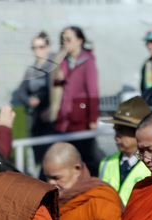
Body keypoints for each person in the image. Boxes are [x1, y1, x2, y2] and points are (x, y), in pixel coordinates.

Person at [53, 26, 100, 172]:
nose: (65, 42)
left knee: (85, 158)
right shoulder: (62, 61)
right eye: (63, 39)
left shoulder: (88, 61)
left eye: (68, 39)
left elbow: (93, 91)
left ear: (80, 40)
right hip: (65, 119)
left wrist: (93, 119)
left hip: (81, 119)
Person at [12, 32, 57, 165]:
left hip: (52, 118)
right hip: (36, 118)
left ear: (48, 47)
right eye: (34, 47)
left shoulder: (55, 66)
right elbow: (22, 92)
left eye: (41, 47)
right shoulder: (30, 70)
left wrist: (53, 108)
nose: (37, 50)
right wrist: (29, 101)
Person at [98, 97, 152, 205]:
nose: (116, 137)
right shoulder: (106, 162)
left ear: (138, 133)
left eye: (121, 131)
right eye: (115, 131)